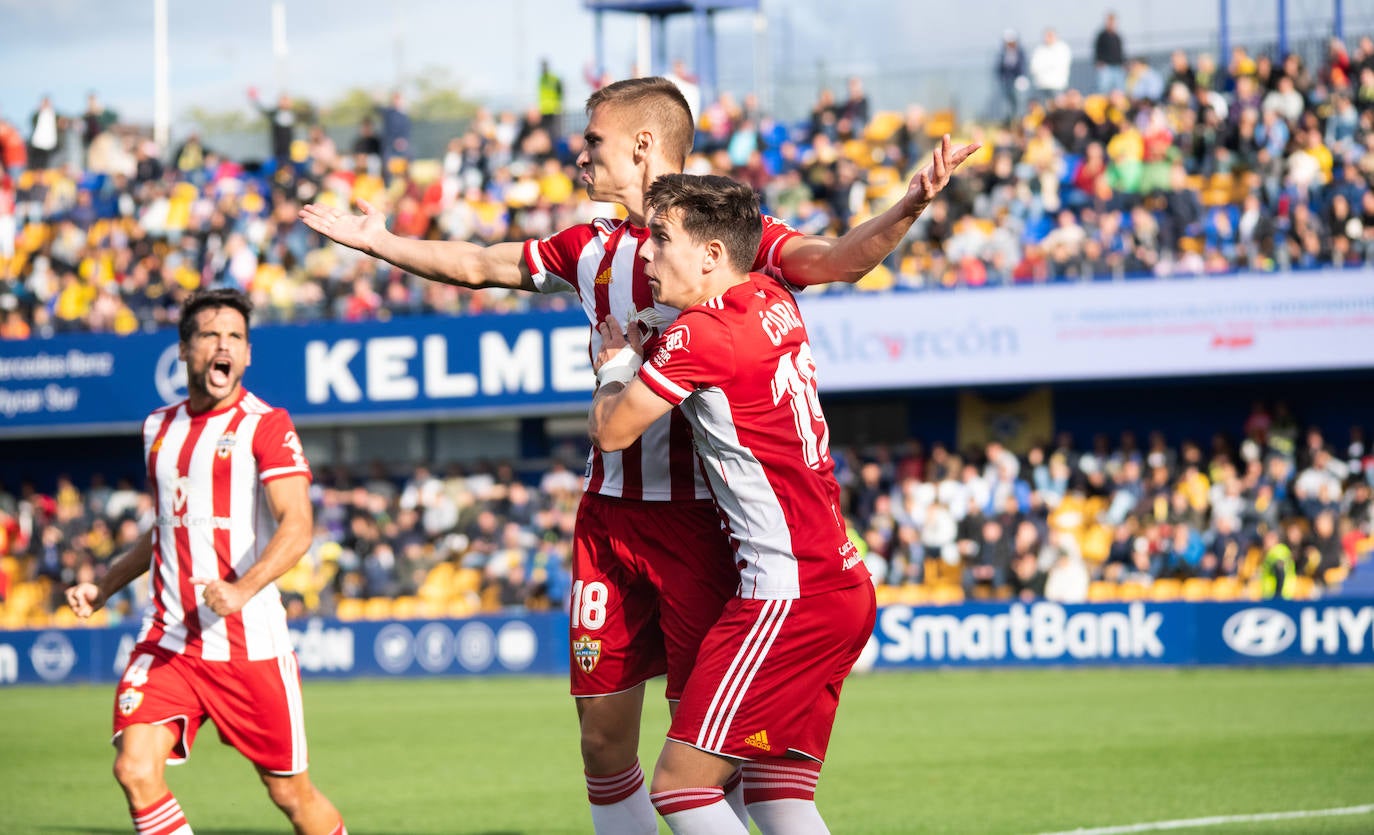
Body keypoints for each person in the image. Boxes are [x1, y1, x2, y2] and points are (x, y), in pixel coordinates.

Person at [299, 76, 974, 834]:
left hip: (706, 531)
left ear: (643, 146)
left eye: (593, 141)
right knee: (602, 736)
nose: (579, 156)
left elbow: (836, 258)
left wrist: (905, 208)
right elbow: (485, 263)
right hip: (612, 518)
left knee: (708, 760)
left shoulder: (723, 238)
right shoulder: (590, 246)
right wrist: (382, 243)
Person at [587, 174, 875, 834]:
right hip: (842, 583)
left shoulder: (699, 338)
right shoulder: (775, 297)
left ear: (712, 254)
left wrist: (614, 364)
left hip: (784, 593)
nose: (648, 255)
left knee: (681, 789)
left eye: (661, 240)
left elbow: (613, 430)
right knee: (779, 795)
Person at [64, 288, 347, 835]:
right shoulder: (157, 429)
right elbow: (167, 530)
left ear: (247, 356)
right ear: (184, 350)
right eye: (210, 335)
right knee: (135, 768)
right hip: (169, 641)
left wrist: (242, 589)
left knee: (292, 795)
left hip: (249, 646)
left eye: (236, 337)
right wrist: (103, 586)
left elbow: (298, 526)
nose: (224, 345)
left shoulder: (266, 424)